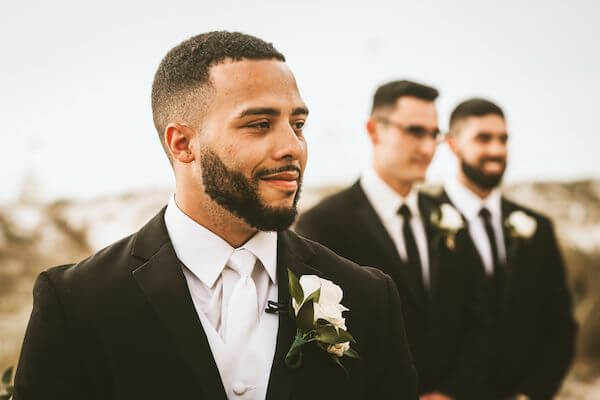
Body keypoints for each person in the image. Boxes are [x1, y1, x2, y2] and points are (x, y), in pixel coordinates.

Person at [13, 32, 418, 400]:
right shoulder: (76, 302)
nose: (292, 146)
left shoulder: (366, 296)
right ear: (183, 143)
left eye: (297, 124)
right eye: (259, 124)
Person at [296, 80, 487, 399]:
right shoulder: (323, 224)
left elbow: (479, 317)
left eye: (433, 134)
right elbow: (319, 343)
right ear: (374, 130)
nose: (427, 148)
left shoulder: (451, 219)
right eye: (414, 131)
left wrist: (453, 392)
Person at [441, 98, 577, 399]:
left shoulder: (538, 228)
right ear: (453, 144)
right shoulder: (424, 221)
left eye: (503, 139)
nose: (497, 150)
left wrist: (531, 394)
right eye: (483, 138)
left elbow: (560, 326)